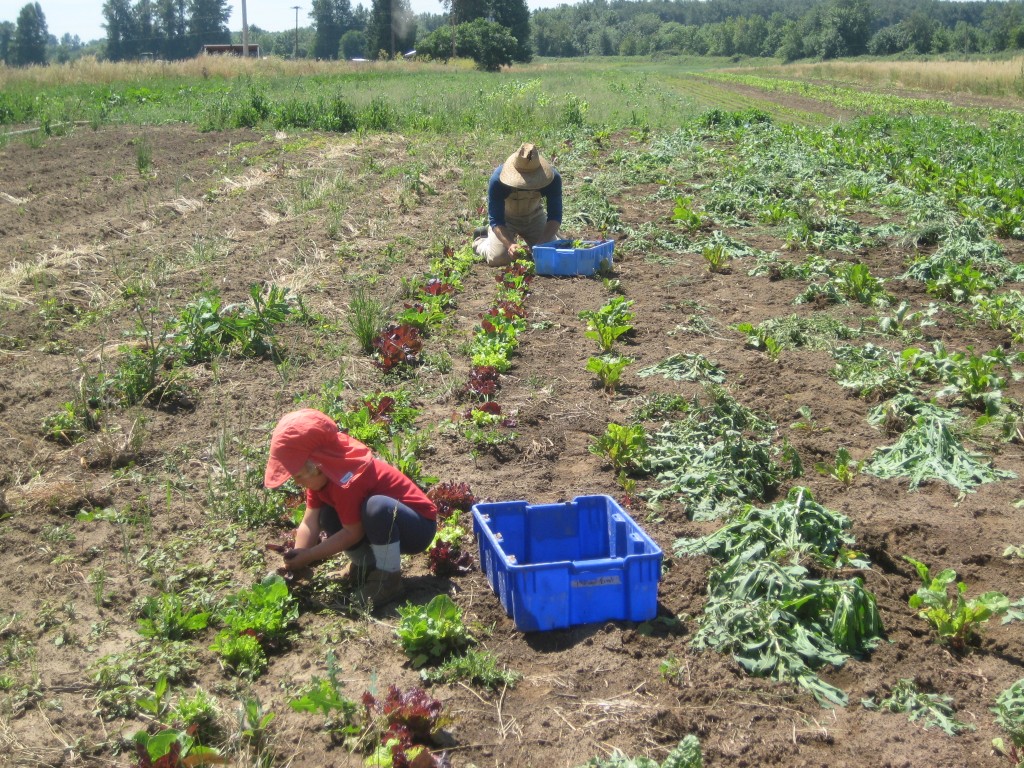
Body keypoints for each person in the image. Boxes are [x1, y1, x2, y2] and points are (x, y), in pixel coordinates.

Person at [263, 408, 437, 607]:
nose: (297, 483)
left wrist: (310, 555)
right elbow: (310, 521)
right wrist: (299, 555)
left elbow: (352, 533)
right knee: (326, 515)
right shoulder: (322, 479)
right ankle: (366, 567)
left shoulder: (347, 481)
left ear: (318, 466)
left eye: (299, 476)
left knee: (377, 507)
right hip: (382, 527)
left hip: (417, 528)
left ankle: (388, 579)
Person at [473, 142, 563, 267]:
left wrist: (542, 243)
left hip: (534, 217)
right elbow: (496, 220)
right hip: (506, 219)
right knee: (498, 259)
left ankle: (552, 240)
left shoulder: (552, 178)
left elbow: (555, 216)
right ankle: (481, 241)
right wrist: (510, 244)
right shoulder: (497, 180)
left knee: (551, 257)